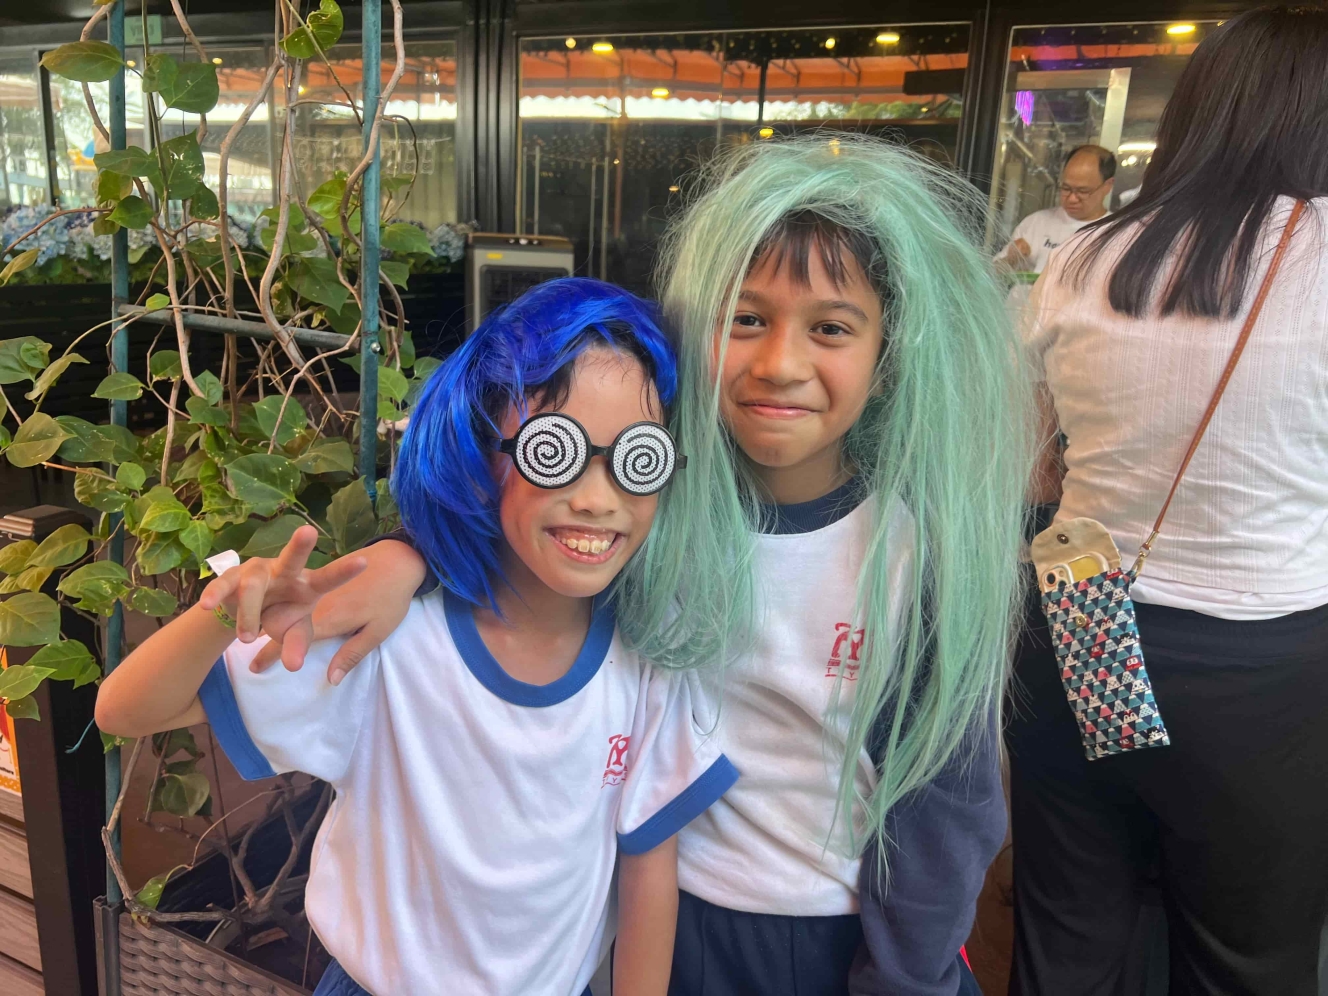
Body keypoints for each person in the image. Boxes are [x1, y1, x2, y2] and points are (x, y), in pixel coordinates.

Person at [260, 135, 1033, 995]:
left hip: (828, 940)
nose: (781, 363)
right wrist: (412, 556)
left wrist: (905, 980)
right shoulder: (651, 498)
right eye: (747, 319)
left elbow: (946, 807)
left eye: (830, 328)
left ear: (888, 358)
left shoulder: (912, 559)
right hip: (648, 918)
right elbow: (523, 525)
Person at [96, 279, 738, 996]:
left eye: (639, 458)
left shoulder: (646, 660)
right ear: (478, 456)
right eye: (553, 451)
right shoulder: (387, 641)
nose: (597, 498)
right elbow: (124, 710)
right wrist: (221, 612)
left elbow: (649, 872)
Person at [1008, 7, 1328, 995]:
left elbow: (1032, 468)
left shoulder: (1083, 256)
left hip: (1083, 615)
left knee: (1066, 933)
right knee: (1241, 956)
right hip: (1262, 664)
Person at [999, 144, 1116, 274]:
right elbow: (994, 274)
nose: (1072, 198)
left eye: (1083, 191)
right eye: (1066, 188)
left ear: (1107, 186)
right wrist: (1010, 259)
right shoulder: (1035, 223)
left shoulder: (1116, 234)